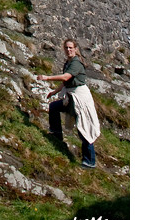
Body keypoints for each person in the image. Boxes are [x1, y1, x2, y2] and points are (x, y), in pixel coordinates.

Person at [37, 38, 100, 168]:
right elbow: (66, 82)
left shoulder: (76, 63)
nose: (68, 50)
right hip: (72, 96)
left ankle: (90, 161)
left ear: (75, 49)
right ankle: (56, 134)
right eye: (66, 48)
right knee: (54, 107)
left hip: (81, 98)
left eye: (71, 48)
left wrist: (47, 78)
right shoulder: (68, 63)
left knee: (84, 128)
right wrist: (54, 92)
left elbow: (66, 77)